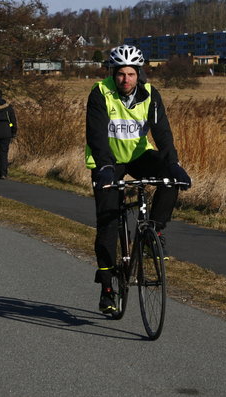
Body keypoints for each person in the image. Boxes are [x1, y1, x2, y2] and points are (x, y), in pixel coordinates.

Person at [85, 44, 192, 313]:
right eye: (121, 74)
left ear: (139, 73)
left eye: (131, 74)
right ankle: (107, 288)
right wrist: (104, 166)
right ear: (113, 73)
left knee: (169, 177)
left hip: (138, 156)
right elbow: (96, 134)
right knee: (108, 224)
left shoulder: (150, 95)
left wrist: (174, 164)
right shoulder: (100, 92)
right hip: (107, 162)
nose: (126, 79)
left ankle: (154, 231)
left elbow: (162, 132)